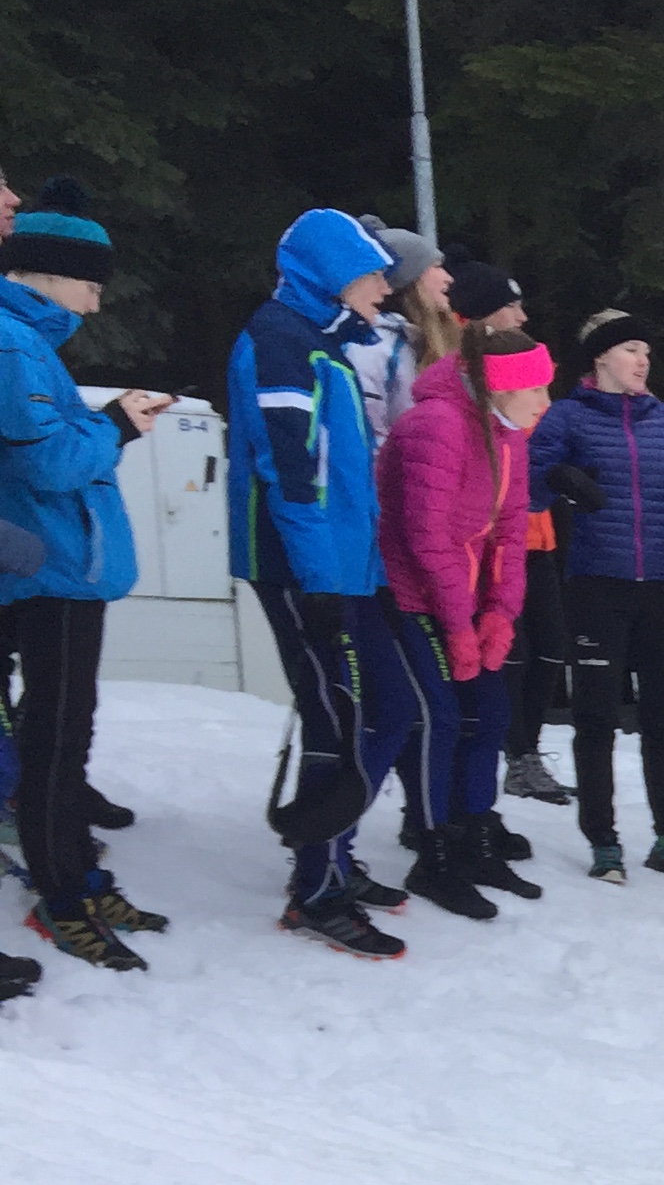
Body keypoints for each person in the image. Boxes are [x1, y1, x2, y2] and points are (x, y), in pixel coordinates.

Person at [228, 207, 415, 957]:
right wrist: (317, 581)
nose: (384, 289)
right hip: (303, 569)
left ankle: (333, 852)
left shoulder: (324, 344)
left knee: (385, 707)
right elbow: (291, 475)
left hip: (343, 567)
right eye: (373, 274)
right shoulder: (280, 342)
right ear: (333, 276)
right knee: (336, 720)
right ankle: (316, 886)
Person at [0, 178, 174, 970]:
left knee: (68, 736)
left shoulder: (29, 343)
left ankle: (79, 874)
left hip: (66, 573)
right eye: (89, 285)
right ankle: (60, 895)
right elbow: (46, 464)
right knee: (55, 742)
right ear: (46, 272)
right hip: (47, 575)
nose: (96, 305)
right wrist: (116, 426)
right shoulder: (11, 341)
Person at [525, 309, 664, 883]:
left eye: (646, 351)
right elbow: (526, 488)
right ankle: (603, 840)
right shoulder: (566, 416)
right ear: (601, 357)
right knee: (596, 716)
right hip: (597, 585)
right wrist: (561, 478)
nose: (643, 361)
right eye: (632, 349)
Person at [376, 321, 554, 917]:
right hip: (409, 593)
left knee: (493, 713)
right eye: (538, 390)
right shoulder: (437, 425)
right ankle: (435, 852)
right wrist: (457, 624)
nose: (545, 403)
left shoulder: (509, 436)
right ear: (504, 387)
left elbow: (509, 533)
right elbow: (426, 537)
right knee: (441, 720)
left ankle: (476, 836)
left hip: (465, 595)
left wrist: (500, 612)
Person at [353, 218, 457, 450]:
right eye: (437, 266)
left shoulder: (414, 343)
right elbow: (369, 438)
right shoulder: (373, 347)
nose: (448, 278)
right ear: (408, 277)